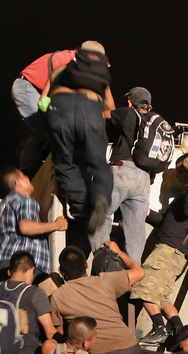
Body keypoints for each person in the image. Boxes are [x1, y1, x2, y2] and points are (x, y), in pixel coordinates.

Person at [135, 156, 188, 346]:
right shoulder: (186, 196)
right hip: (174, 252)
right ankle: (178, 329)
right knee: (161, 297)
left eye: (180, 170)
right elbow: (165, 223)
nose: (177, 175)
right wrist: (145, 213)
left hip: (169, 250)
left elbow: (187, 210)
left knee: (143, 286)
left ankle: (160, 329)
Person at [44, 41, 116, 232]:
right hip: (90, 108)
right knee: (98, 163)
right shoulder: (101, 78)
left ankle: (81, 208)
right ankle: (100, 197)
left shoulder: (60, 70)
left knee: (65, 163)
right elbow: (111, 109)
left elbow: (42, 102)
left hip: (59, 107)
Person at [88, 86, 159, 262]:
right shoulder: (153, 123)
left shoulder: (128, 114)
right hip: (144, 180)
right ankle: (132, 272)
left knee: (100, 214)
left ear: (130, 102)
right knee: (136, 231)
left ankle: (103, 262)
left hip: (124, 170)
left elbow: (105, 114)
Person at [0, 169, 68, 285]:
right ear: (18, 182)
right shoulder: (24, 200)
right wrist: (57, 225)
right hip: (22, 267)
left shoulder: (2, 207)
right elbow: (25, 227)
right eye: (24, 177)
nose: (28, 178)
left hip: (3, 265)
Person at [11, 46, 78, 177]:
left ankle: (33, 166)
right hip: (27, 87)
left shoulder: (68, 61)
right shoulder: (65, 59)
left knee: (46, 129)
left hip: (30, 88)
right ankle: (28, 170)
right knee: (44, 129)